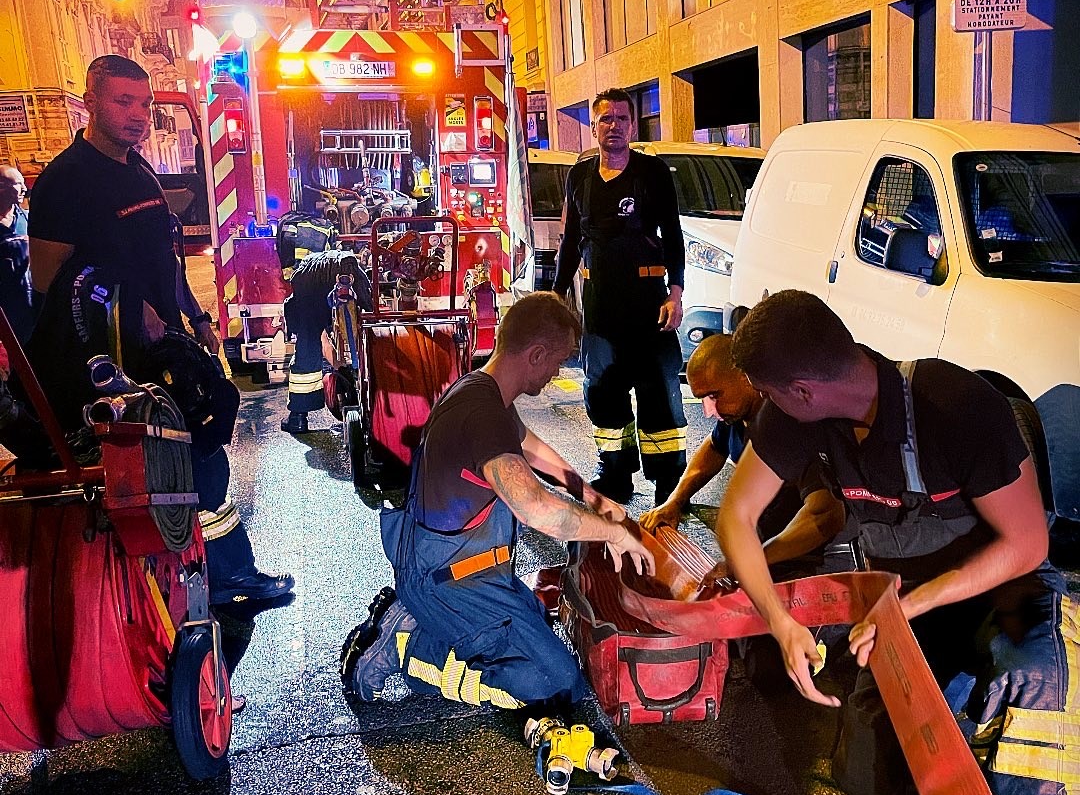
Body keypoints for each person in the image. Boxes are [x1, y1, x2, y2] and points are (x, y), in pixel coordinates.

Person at [713, 289, 1077, 795]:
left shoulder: (953, 403)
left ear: (803, 390)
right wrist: (782, 625)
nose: (762, 411)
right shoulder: (796, 416)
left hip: (999, 595)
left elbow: (1028, 542)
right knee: (880, 787)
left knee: (1031, 700)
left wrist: (915, 606)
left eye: (772, 396)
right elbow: (735, 516)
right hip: (908, 604)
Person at [26, 54, 293, 611]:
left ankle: (222, 576)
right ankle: (185, 590)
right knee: (168, 471)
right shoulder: (62, 183)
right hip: (111, 363)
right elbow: (52, 289)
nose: (138, 114)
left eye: (144, 103)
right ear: (91, 101)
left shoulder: (139, 170)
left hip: (166, 350)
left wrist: (194, 317)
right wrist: (126, 308)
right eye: (123, 101)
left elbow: (166, 263)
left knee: (204, 453)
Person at [340, 291, 653, 719]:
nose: (557, 372)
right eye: (558, 361)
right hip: (448, 580)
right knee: (554, 685)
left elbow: (531, 448)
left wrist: (593, 497)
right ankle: (407, 648)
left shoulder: (483, 392)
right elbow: (537, 509)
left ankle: (423, 620)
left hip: (464, 570)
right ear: (536, 354)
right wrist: (614, 532)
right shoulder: (481, 413)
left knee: (546, 641)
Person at [552, 88, 686, 508]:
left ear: (633, 124)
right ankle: (616, 473)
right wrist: (557, 296)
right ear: (593, 127)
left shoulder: (653, 174)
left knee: (658, 396)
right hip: (601, 308)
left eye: (621, 119)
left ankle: (668, 484)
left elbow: (674, 236)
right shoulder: (580, 177)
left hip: (649, 306)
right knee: (604, 393)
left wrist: (676, 292)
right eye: (605, 119)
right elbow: (571, 241)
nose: (614, 126)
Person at [638, 330, 842, 573]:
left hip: (811, 559)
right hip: (763, 540)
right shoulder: (736, 414)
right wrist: (675, 500)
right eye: (703, 399)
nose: (709, 411)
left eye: (714, 395)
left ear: (746, 376)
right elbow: (714, 447)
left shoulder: (790, 424)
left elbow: (826, 516)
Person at [280, 250, 371, 434]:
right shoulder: (349, 265)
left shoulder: (302, 282)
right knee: (370, 323)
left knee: (307, 346)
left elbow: (319, 336)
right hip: (349, 266)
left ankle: (298, 418)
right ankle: (371, 399)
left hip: (313, 281)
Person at [0, 166, 32, 348]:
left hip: (34, 303)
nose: (25, 188)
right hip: (8, 308)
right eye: (18, 184)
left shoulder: (28, 218)